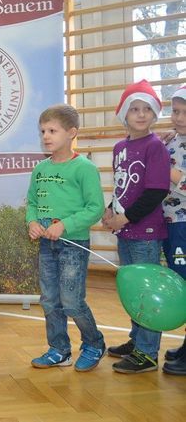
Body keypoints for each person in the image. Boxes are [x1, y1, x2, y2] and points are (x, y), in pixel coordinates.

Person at [25, 104, 106, 371]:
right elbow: (32, 202)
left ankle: (94, 343)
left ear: (72, 133)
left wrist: (65, 225)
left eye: (52, 130)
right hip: (47, 246)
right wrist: (33, 222)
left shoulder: (84, 168)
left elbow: (95, 208)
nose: (46, 136)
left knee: (71, 300)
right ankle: (59, 349)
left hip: (73, 244)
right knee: (49, 299)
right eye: (43, 131)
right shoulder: (40, 169)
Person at [102, 79, 170, 374]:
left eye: (147, 109)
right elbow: (122, 187)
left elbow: (156, 191)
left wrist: (125, 217)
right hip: (125, 231)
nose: (141, 114)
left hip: (145, 233)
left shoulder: (155, 147)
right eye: (135, 109)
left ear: (154, 114)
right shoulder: (120, 147)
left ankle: (148, 352)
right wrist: (110, 211)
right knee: (132, 289)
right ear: (124, 115)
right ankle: (138, 339)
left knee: (146, 291)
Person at [160, 84, 186, 376]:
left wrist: (165, 169)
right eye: (175, 111)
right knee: (180, 281)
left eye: (183, 112)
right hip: (170, 224)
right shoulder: (173, 140)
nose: (177, 117)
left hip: (184, 225)